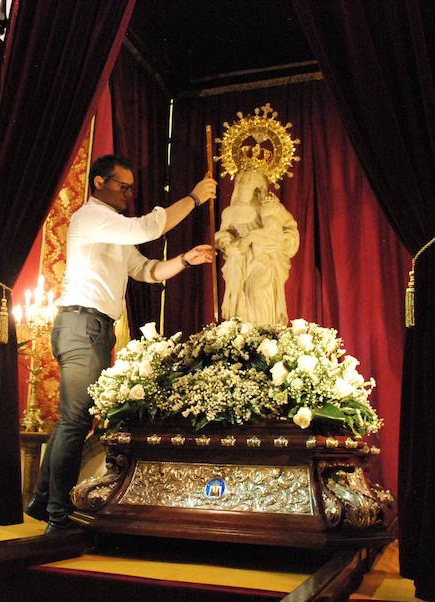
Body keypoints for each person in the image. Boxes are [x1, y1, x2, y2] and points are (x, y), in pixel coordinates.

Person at [27, 154, 216, 533]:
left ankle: (43, 501)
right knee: (76, 421)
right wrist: (194, 198)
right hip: (82, 324)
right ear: (99, 182)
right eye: (122, 186)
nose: (129, 193)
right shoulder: (90, 217)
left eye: (131, 187)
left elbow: (146, 270)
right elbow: (149, 228)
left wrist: (186, 260)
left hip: (95, 327)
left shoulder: (112, 230)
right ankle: (58, 517)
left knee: (74, 419)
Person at [214, 168, 299, 325]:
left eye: (250, 182)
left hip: (263, 261)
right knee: (241, 302)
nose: (245, 185)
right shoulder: (230, 212)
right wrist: (227, 242)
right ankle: (243, 339)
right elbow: (221, 236)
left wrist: (281, 243)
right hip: (239, 262)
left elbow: (290, 230)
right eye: (242, 181)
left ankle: (265, 332)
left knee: (258, 292)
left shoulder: (271, 207)